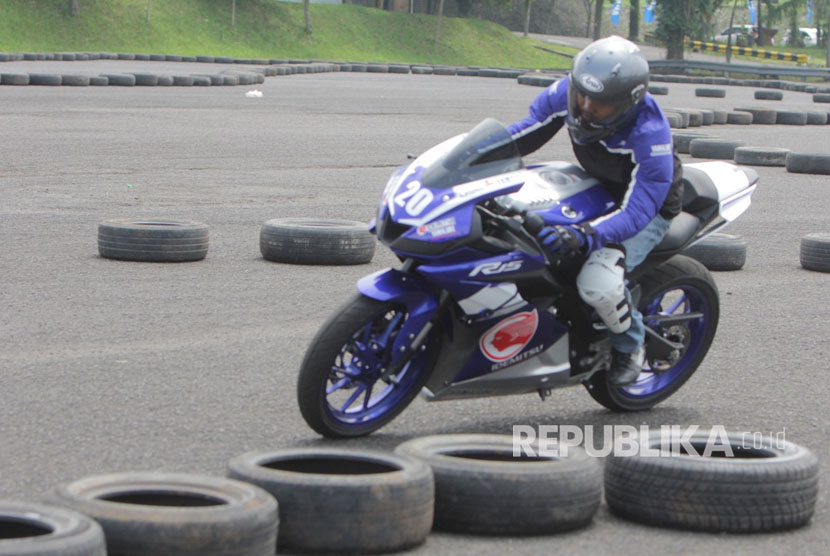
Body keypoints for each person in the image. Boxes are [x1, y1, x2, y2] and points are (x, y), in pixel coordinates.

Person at [507, 35, 684, 386]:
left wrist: (585, 235)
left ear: (628, 103)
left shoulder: (650, 137)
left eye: (600, 103)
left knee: (598, 282)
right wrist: (468, 158)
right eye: (582, 95)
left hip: (646, 206)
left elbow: (635, 212)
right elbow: (523, 133)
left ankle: (629, 346)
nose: (586, 106)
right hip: (597, 184)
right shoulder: (569, 94)